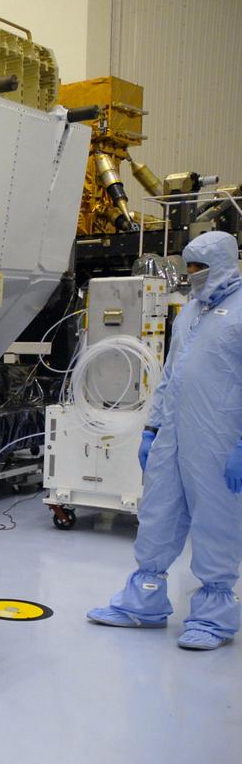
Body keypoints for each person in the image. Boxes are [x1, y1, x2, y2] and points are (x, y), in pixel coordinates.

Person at [87, 230, 242, 650]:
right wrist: (153, 429)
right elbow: (170, 377)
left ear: (224, 264)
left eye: (199, 268)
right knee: (158, 515)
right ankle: (143, 603)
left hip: (220, 440)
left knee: (216, 523)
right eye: (187, 266)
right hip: (173, 436)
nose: (192, 275)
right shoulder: (190, 313)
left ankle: (212, 618)